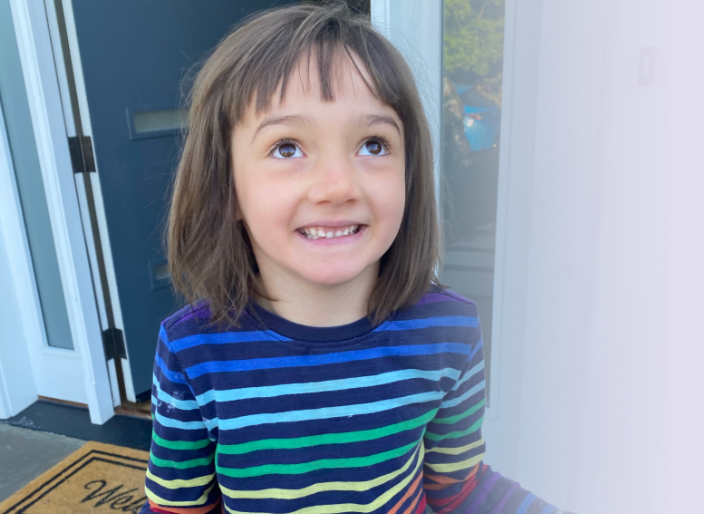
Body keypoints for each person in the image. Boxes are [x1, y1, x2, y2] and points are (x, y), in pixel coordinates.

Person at [140, 4, 569, 514]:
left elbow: (459, 488)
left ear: (409, 176)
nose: (338, 186)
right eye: (286, 147)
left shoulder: (449, 330)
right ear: (226, 189)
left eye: (373, 143)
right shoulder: (193, 352)